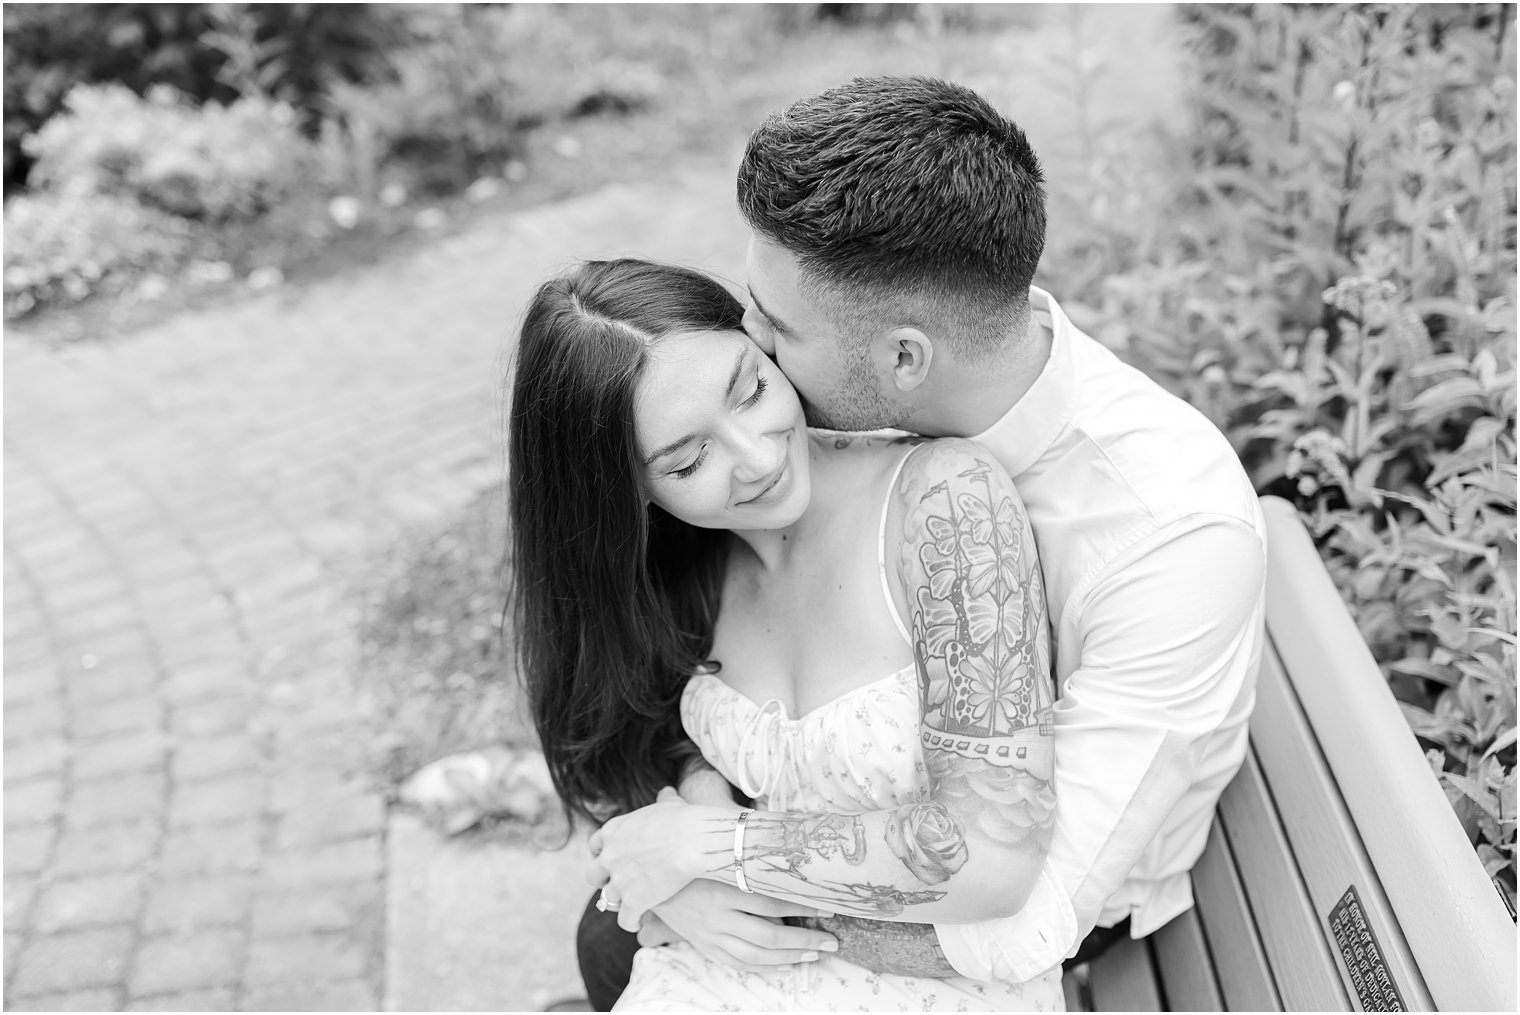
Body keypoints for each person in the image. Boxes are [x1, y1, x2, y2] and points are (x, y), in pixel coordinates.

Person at [575, 75, 1268, 1004]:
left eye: (777, 333)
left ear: (904, 358)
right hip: (861, 819)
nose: (762, 362)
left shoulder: (1166, 535)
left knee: (619, 932)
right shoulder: (865, 402)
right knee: (614, 925)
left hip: (1029, 903)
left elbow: (1022, 910)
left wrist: (715, 873)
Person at [509, 258, 1064, 1011]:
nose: (760, 455)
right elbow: (642, 741)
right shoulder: (678, 573)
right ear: (629, 494)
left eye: (751, 389)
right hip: (719, 976)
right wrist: (687, 863)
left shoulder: (945, 503)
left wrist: (712, 852)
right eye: (690, 458)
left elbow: (992, 856)